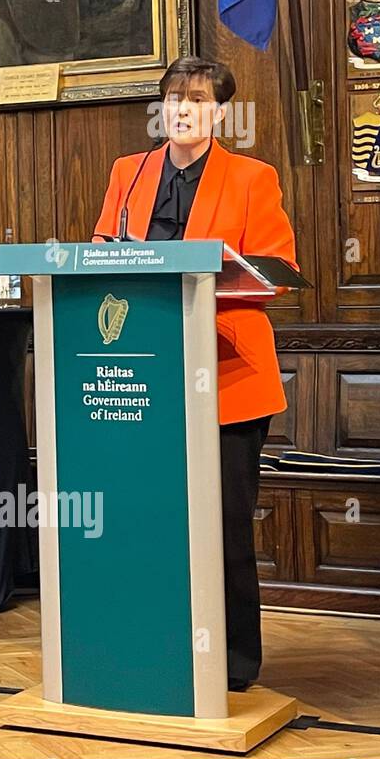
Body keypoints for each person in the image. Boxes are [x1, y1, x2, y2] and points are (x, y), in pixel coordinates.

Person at [93, 55, 297, 691]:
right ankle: (154, 641)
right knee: (149, 516)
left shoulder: (251, 177)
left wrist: (206, 274)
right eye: (175, 97)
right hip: (142, 373)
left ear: (220, 113)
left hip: (226, 373)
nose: (184, 109)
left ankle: (234, 662)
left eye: (199, 100)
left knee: (223, 521)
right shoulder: (129, 173)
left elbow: (275, 269)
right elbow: (102, 250)